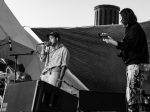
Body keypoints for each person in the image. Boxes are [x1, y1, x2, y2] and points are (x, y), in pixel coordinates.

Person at [102, 8, 150, 112]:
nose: (120, 21)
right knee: (138, 96)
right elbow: (131, 47)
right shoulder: (133, 29)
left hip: (136, 66)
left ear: (126, 18)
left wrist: (112, 42)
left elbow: (129, 45)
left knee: (132, 96)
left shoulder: (134, 29)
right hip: (139, 65)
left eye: (121, 18)